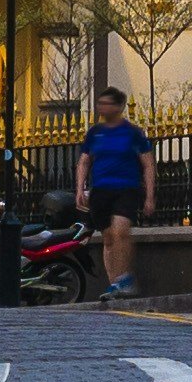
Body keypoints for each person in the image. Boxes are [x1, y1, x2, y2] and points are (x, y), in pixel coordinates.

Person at [74, 83, 150, 297]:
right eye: (100, 104)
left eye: (106, 104)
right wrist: (80, 187)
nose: (101, 108)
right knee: (108, 237)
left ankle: (125, 277)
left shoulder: (133, 133)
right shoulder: (95, 133)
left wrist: (150, 196)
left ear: (119, 107)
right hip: (101, 190)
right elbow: (84, 161)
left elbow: (148, 163)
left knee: (121, 231)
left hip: (127, 188)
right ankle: (115, 283)